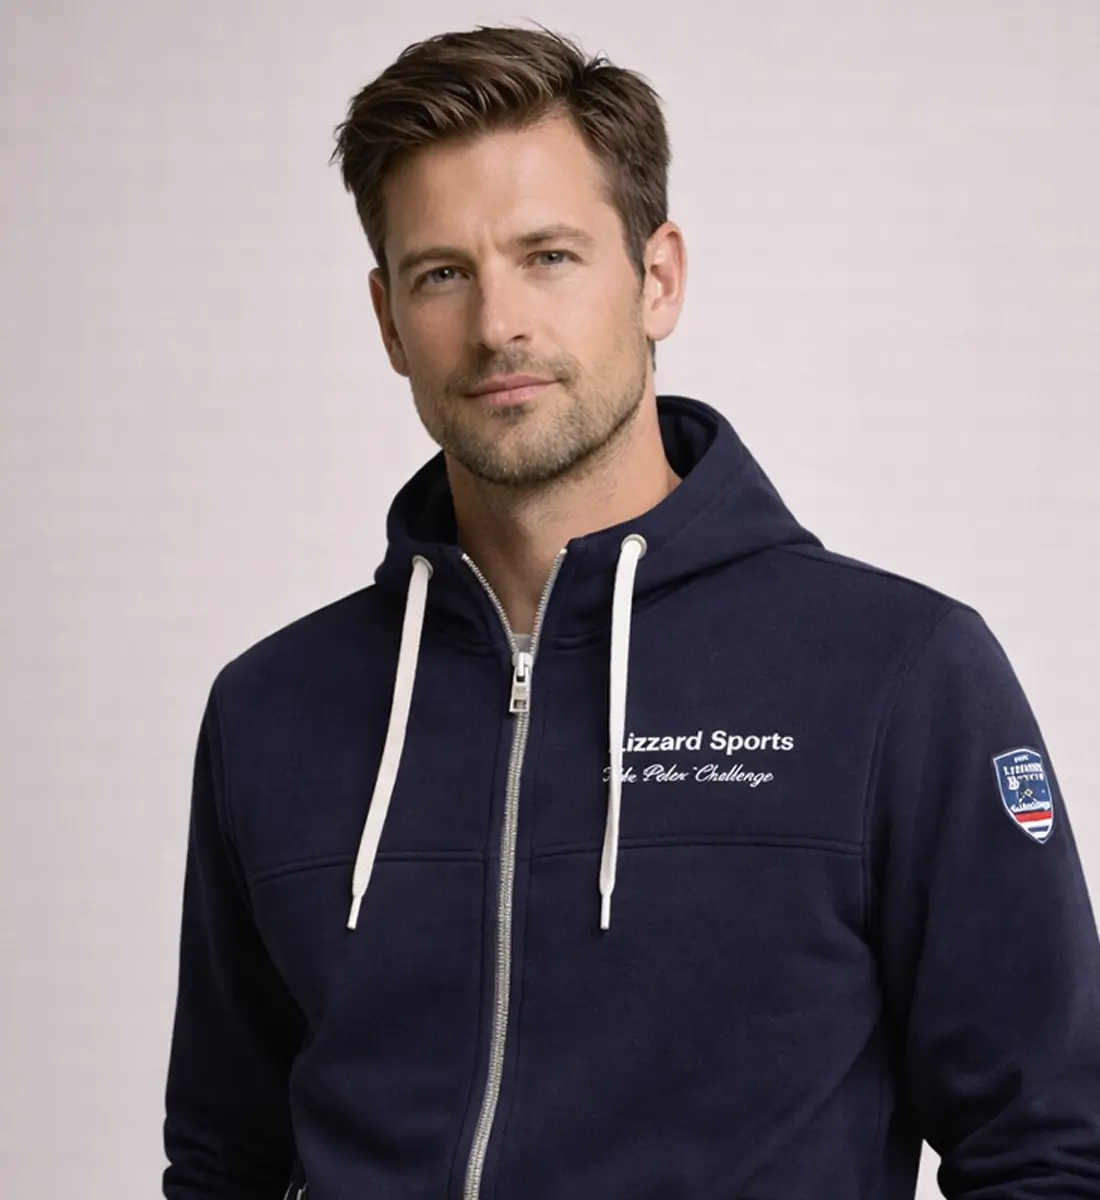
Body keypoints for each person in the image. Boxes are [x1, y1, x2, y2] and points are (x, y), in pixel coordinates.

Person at [162, 24, 1100, 1200]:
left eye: (547, 256)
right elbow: (224, 1160)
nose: (497, 324)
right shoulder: (270, 710)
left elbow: (1048, 1147)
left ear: (656, 278)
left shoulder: (895, 675)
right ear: (388, 319)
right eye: (441, 273)